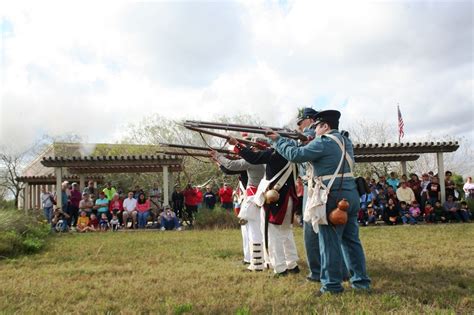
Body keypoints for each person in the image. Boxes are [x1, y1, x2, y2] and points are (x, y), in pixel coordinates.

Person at [268, 109, 371, 294]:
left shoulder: (324, 142)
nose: (314, 131)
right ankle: (361, 282)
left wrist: (277, 140)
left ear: (325, 126)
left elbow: (296, 155)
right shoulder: (345, 140)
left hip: (332, 196)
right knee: (351, 242)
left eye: (316, 127)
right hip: (350, 194)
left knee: (328, 242)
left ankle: (331, 286)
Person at [231, 136, 300, 276]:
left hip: (275, 201)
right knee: (286, 233)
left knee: (272, 235)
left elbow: (253, 158)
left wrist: (237, 145)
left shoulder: (276, 155)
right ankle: (292, 264)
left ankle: (280, 268)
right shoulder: (294, 156)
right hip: (288, 199)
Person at [211, 149, 266, 272]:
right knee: (262, 232)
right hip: (263, 198)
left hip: (253, 198)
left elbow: (230, 166)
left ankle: (256, 264)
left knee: (253, 233)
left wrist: (218, 156)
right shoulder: (267, 160)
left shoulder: (253, 160)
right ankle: (266, 260)